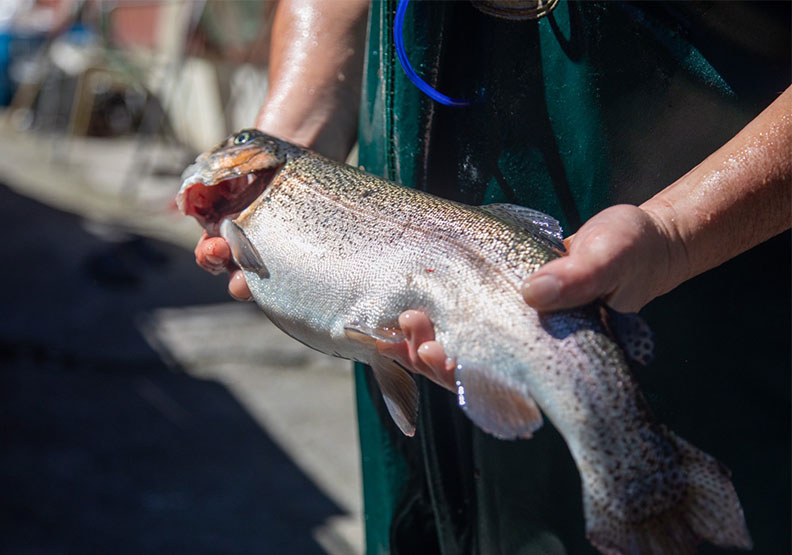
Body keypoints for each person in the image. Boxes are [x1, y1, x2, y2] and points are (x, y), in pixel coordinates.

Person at [195, 1, 791, 552]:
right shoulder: (261, 182)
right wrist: (291, 133)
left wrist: (674, 234)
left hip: (714, 281)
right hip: (424, 395)